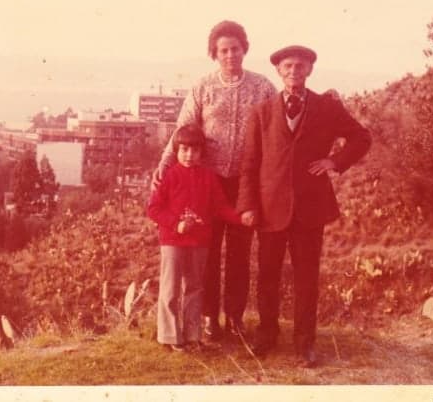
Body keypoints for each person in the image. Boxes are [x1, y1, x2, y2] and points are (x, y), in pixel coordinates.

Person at [237, 44, 371, 366]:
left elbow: (361, 137)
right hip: (269, 209)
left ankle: (304, 344)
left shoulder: (327, 107)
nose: (294, 72)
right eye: (287, 67)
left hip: (311, 209)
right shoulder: (262, 111)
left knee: (307, 278)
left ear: (309, 70)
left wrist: (334, 162)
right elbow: (249, 162)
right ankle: (267, 335)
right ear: (279, 72)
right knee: (267, 276)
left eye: (300, 66)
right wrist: (247, 205)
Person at [153, 20, 277, 339]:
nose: (230, 55)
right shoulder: (202, 87)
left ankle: (234, 317)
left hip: (245, 184)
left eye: (235, 48)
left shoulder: (262, 87)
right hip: (207, 184)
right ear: (214, 53)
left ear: (245, 49)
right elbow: (182, 130)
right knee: (205, 254)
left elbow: (276, 133)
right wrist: (164, 166)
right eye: (223, 50)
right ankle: (208, 318)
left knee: (239, 254)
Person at [147, 124, 247, 351]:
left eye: (194, 150)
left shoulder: (209, 177)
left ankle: (192, 335)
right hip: (173, 241)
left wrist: (241, 219)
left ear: (202, 153)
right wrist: (176, 223)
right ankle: (170, 336)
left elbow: (220, 206)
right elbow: (153, 209)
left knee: (194, 288)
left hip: (200, 242)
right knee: (171, 288)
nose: (189, 155)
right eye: (184, 150)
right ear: (176, 150)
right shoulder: (169, 176)